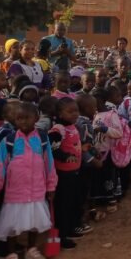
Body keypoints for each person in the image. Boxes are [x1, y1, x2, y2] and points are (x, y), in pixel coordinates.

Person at [0, 103, 57, 257]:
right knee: (11, 225)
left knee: (34, 223)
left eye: (26, 118)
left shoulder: (42, 139)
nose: (23, 122)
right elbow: (0, 166)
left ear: (36, 118)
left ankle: (31, 249)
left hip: (37, 190)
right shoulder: (8, 141)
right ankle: (11, 253)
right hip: (15, 192)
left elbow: (49, 163)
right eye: (19, 118)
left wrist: (51, 185)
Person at [47, 98, 84, 249]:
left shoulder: (72, 127)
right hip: (62, 174)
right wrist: (65, 156)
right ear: (60, 114)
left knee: (72, 202)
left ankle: (69, 229)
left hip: (74, 171)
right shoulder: (58, 129)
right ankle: (61, 237)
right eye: (70, 111)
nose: (75, 113)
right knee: (62, 205)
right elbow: (53, 148)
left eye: (76, 110)